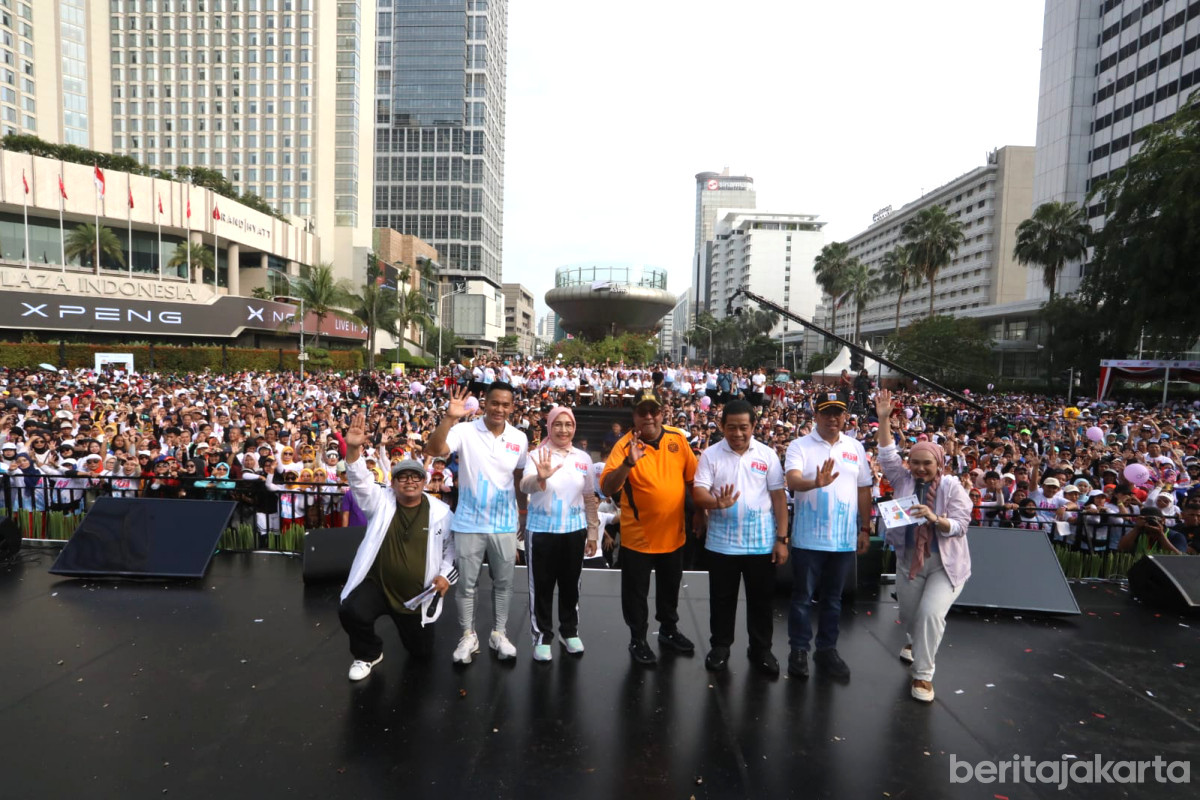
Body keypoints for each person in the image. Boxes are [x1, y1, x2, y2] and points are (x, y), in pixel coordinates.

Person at [337, 413, 457, 680]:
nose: (410, 481)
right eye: (403, 478)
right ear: (392, 482)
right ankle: (368, 654)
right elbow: (360, 482)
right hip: (378, 586)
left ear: (425, 482)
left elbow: (452, 549)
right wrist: (354, 450)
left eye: (416, 477)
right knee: (350, 609)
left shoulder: (440, 512)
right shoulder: (380, 502)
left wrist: (445, 576)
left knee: (421, 654)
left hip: (416, 596)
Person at [874, 389, 972, 702]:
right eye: (914, 462)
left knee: (930, 614)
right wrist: (883, 418)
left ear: (939, 462)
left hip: (945, 564)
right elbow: (887, 452)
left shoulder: (951, 487)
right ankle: (916, 642)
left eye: (926, 463)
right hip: (908, 561)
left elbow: (960, 526)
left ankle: (923, 676)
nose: (919, 468)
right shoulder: (902, 480)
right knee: (911, 614)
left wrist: (935, 518)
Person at [426, 382, 528, 665]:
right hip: (469, 522)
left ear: (512, 407)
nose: (500, 409)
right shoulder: (464, 430)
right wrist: (448, 419)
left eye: (506, 404)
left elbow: (519, 477)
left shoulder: (519, 437)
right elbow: (434, 449)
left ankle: (499, 633)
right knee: (466, 586)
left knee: (504, 583)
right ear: (485, 402)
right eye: (495, 403)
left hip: (505, 524)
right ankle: (468, 635)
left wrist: (522, 511)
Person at [600, 387, 699, 666]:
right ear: (634, 415)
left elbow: (692, 479)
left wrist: (700, 514)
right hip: (638, 537)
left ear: (662, 412)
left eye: (653, 410)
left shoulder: (678, 439)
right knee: (636, 594)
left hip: (674, 533)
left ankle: (668, 630)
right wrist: (628, 464)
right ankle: (638, 639)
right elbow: (607, 487)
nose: (649, 416)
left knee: (670, 589)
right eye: (642, 411)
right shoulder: (623, 446)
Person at [693, 399, 789, 677]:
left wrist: (782, 539)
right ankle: (721, 646)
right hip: (722, 543)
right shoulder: (711, 455)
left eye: (743, 428)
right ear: (721, 426)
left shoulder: (768, 455)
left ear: (754, 427)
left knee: (761, 600)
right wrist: (715, 503)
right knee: (721, 599)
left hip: (761, 543)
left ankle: (761, 649)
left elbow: (779, 499)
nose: (737, 434)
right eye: (731, 428)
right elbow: (698, 493)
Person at [784, 391, 873, 680]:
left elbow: (863, 488)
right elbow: (793, 480)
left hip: (844, 538)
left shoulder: (855, 447)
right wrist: (815, 482)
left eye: (839, 412)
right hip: (808, 539)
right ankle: (799, 650)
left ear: (845, 416)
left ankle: (826, 650)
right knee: (802, 598)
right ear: (816, 415)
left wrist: (864, 527)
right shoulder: (800, 446)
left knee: (833, 600)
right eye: (827, 412)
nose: (833, 418)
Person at [519, 406, 600, 661]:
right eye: (558, 424)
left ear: (574, 427)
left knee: (570, 585)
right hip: (541, 532)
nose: (563, 429)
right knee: (540, 587)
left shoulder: (583, 458)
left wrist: (593, 532)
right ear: (549, 427)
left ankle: (569, 631)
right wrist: (540, 478)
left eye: (568, 424)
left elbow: (589, 497)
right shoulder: (537, 454)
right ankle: (542, 636)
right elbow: (524, 485)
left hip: (574, 532)